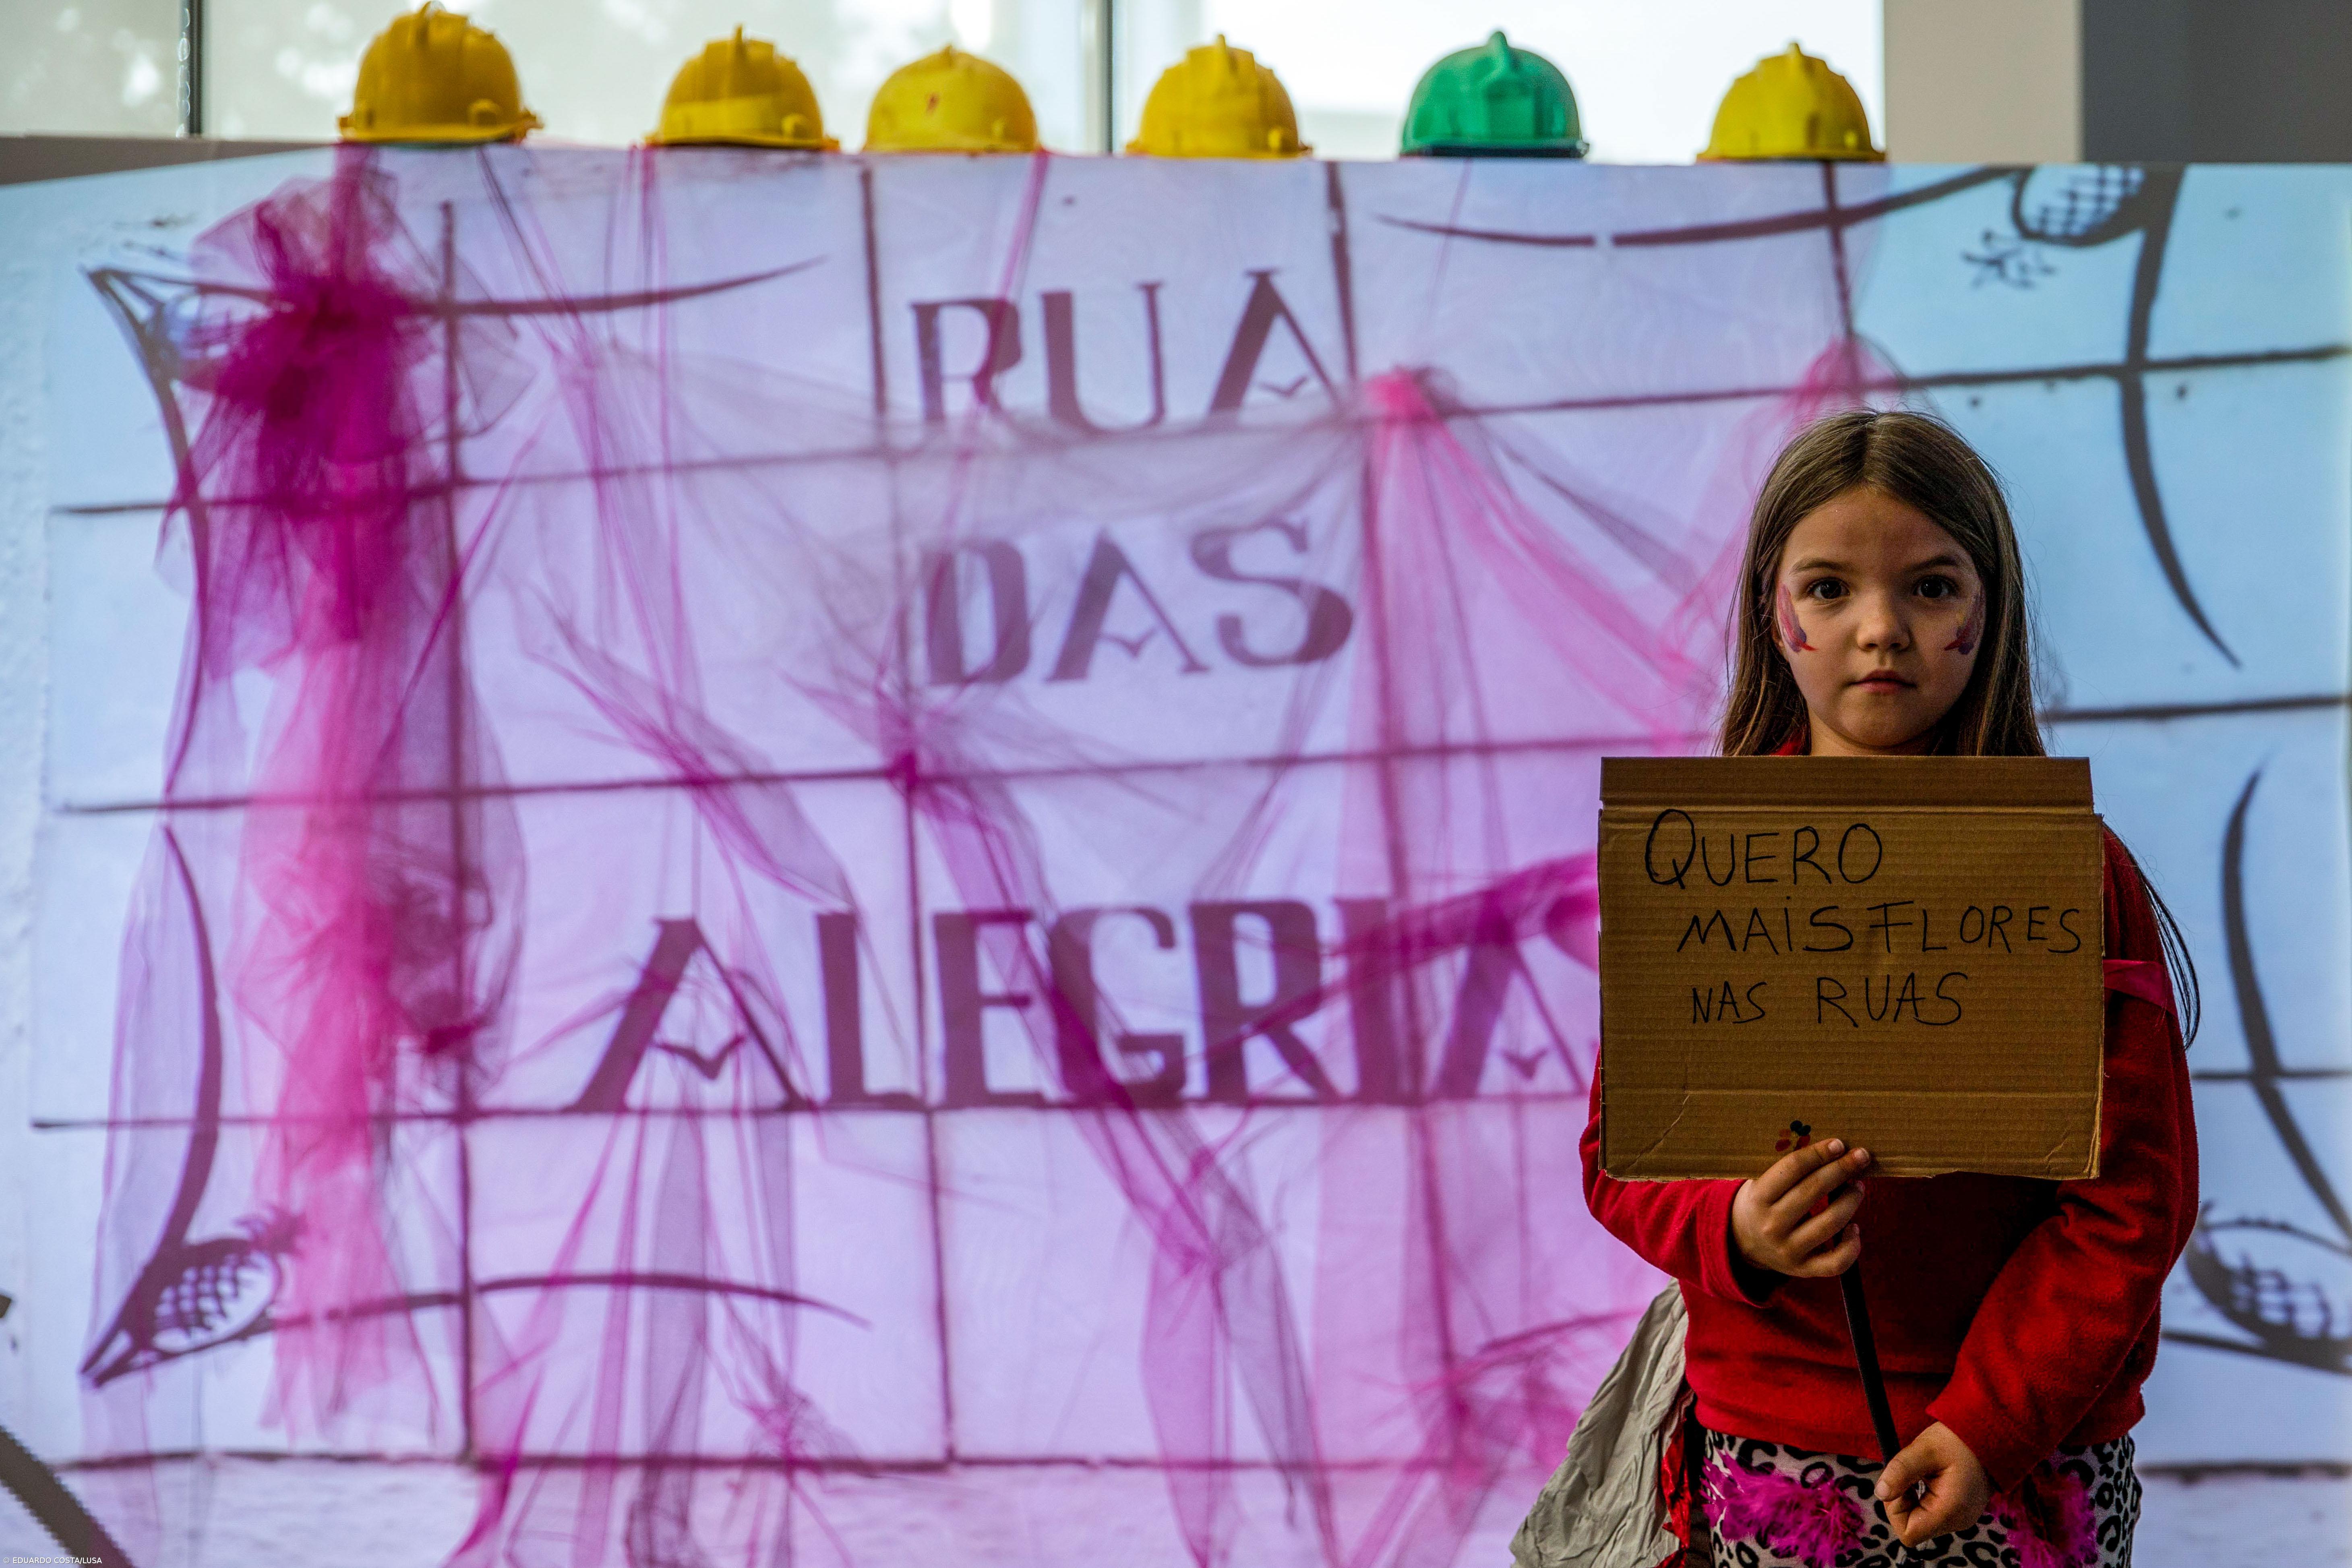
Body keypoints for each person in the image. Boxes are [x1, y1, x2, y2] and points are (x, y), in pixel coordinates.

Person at [1578, 409, 2200, 1568]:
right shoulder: (1697, 856)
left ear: (1988, 609)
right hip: (1766, 1444)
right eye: (1826, 590)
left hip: (2027, 1452)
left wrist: (1991, 1417)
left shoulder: (2069, 866)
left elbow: (2131, 1202)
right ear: (1773, 612)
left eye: (1927, 589)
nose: (1878, 631)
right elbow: (1621, 1152)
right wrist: (1736, 1227)